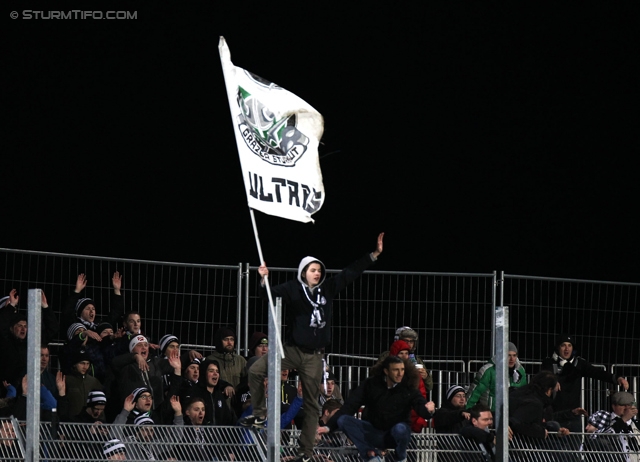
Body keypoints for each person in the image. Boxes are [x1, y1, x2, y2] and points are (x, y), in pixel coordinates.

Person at [243, 232, 384, 462]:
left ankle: (305, 452)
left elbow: (350, 274)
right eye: (312, 269)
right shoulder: (292, 288)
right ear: (303, 272)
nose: (317, 273)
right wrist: (263, 279)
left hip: (313, 356)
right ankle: (259, 414)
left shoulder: (327, 289)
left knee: (310, 404)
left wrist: (373, 255)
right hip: (291, 350)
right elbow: (267, 296)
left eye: (319, 270)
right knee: (256, 371)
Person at [319, 355, 434, 462]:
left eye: (402, 369)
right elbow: (350, 406)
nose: (400, 374)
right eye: (396, 370)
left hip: (393, 435)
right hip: (374, 431)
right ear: (386, 371)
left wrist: (429, 410)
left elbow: (421, 405)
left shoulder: (408, 388)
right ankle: (371, 454)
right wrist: (328, 427)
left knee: (401, 429)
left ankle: (400, 456)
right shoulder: (371, 385)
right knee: (343, 420)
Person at [541, 334, 629, 432]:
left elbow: (598, 373)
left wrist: (617, 378)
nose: (567, 349)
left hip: (574, 414)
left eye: (569, 345)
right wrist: (553, 381)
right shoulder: (549, 362)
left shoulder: (579, 363)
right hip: (554, 414)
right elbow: (545, 375)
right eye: (563, 345)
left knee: (574, 445)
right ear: (558, 347)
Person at [466, 342, 527, 412]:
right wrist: (467, 411)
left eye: (514, 355)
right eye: (508, 355)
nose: (512, 359)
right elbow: (475, 392)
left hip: (513, 413)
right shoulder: (488, 371)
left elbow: (524, 393)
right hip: (491, 413)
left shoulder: (520, 371)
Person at [584, 391, 639, 461]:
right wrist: (623, 419)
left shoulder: (636, 424)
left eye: (629, 405)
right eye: (623, 405)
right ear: (614, 406)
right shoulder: (604, 417)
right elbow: (596, 437)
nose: (626, 408)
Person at [378, 326, 433, 392]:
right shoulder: (387, 356)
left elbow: (430, 386)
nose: (409, 344)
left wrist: (426, 377)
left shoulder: (417, 360)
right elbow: (377, 376)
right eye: (406, 341)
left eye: (411, 341)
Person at [206, 327, 246, 394]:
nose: (229, 343)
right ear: (219, 341)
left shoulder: (240, 360)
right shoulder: (211, 360)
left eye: (232, 339)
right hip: (219, 401)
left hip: (237, 402)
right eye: (226, 339)